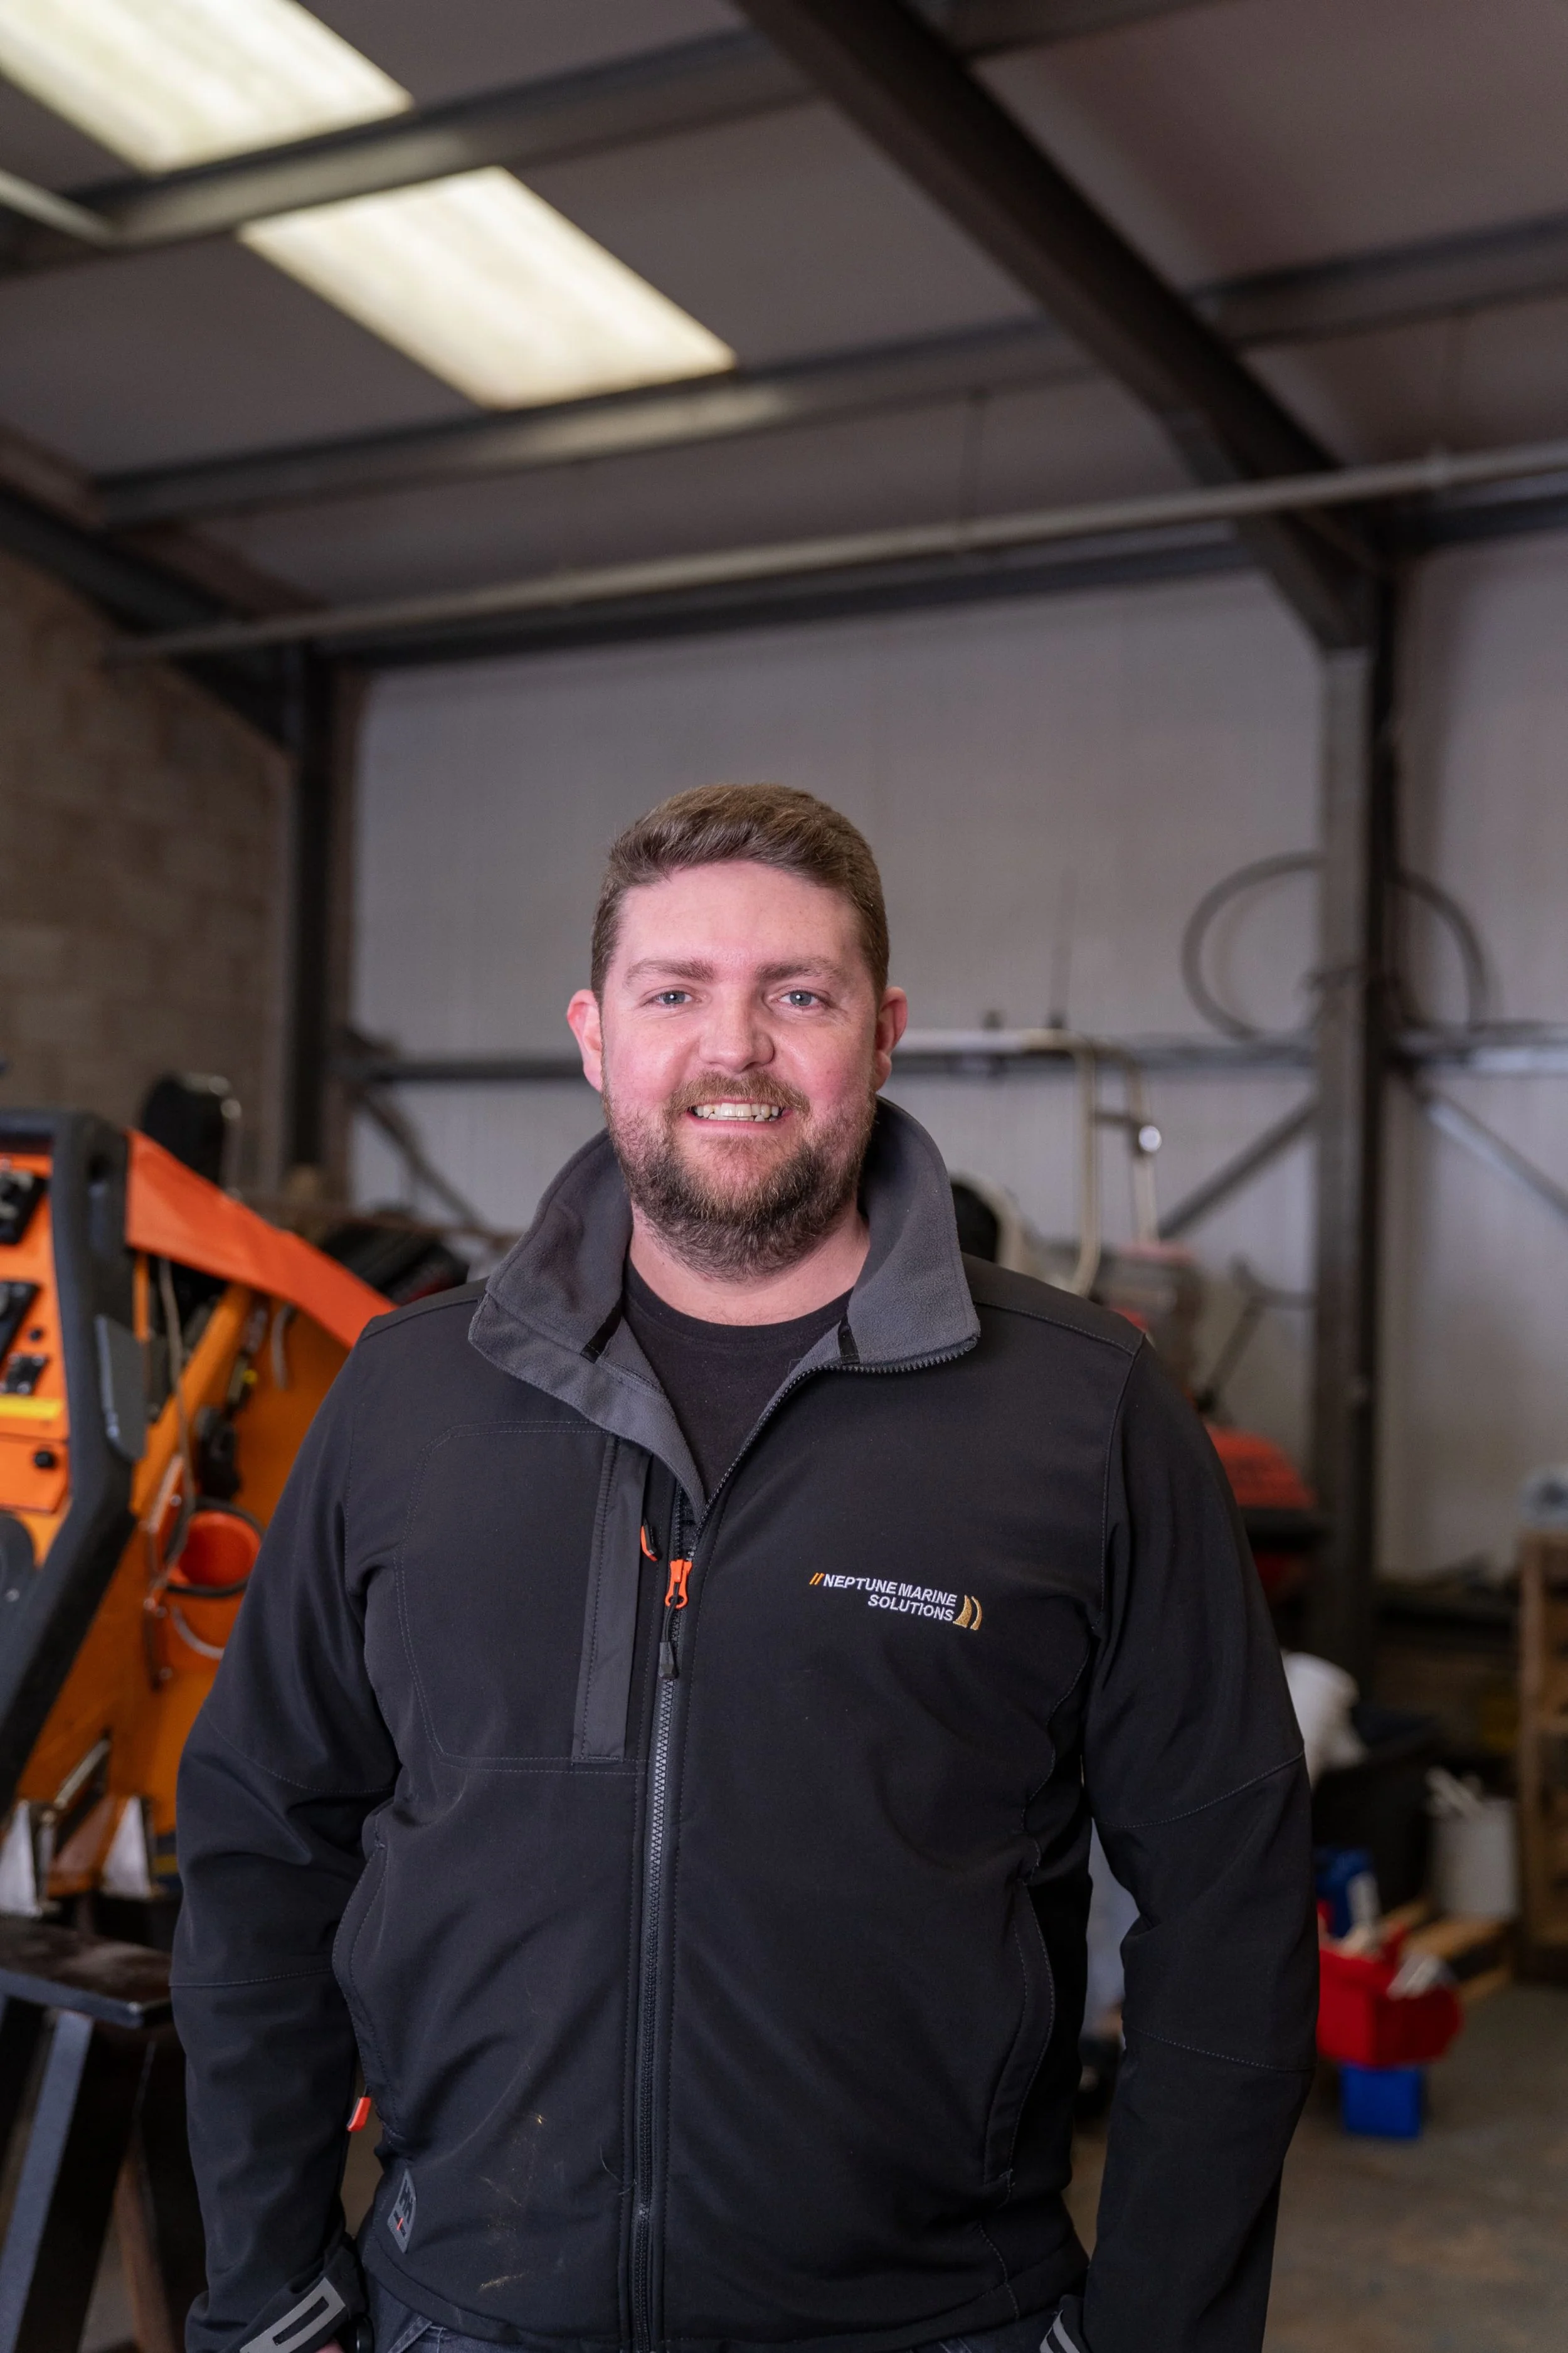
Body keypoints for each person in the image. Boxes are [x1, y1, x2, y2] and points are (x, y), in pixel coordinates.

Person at [173, 785, 1316, 2353]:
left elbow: (1231, 1907)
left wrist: (1158, 2333)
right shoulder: (407, 1397)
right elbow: (260, 1849)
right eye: (674, 993)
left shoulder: (1080, 1412)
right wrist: (264, 2296)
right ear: (594, 1034)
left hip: (931, 2324)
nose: (734, 1049)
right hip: (458, 2310)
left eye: (797, 993)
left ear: (882, 1029)